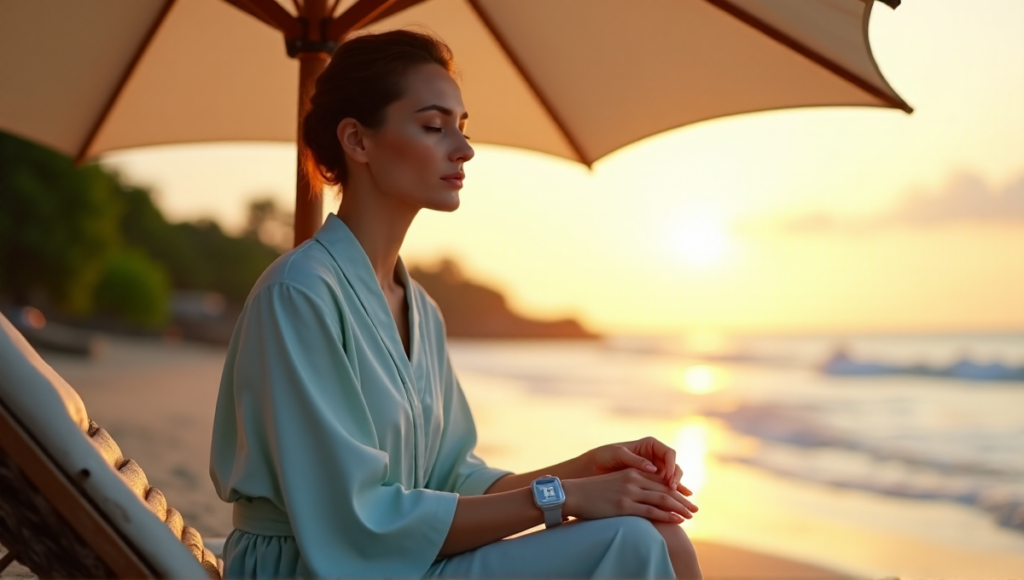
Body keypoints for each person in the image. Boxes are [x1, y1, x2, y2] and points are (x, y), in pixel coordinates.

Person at [209, 29, 703, 580]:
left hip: (401, 556)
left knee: (663, 534)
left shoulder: (419, 307)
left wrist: (588, 470)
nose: (463, 149)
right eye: (432, 126)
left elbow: (453, 479)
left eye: (462, 128)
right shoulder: (298, 295)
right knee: (632, 542)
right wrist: (565, 496)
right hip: (320, 566)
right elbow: (356, 524)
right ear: (357, 140)